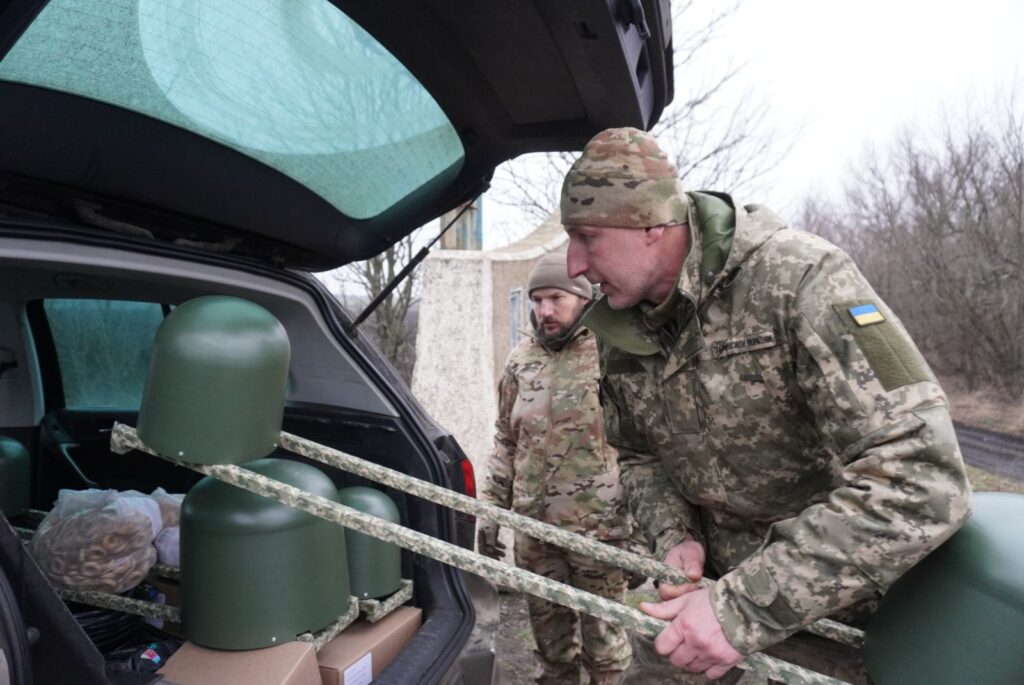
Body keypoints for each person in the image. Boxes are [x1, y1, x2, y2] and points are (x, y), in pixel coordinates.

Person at [559, 127, 972, 683]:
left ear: (651, 226)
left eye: (586, 237)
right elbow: (639, 454)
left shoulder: (801, 279)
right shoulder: (621, 326)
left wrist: (742, 608)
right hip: (707, 599)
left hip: (838, 614)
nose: (573, 265)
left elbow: (923, 476)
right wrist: (673, 534)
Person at [479, 252, 633, 685]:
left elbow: (646, 449)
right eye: (537, 300)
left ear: (582, 297)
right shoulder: (520, 360)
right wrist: (491, 511)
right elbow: (507, 442)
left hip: (599, 533)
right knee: (552, 653)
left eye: (556, 298)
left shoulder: (613, 353)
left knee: (606, 653)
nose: (545, 310)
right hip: (535, 534)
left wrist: (642, 535)